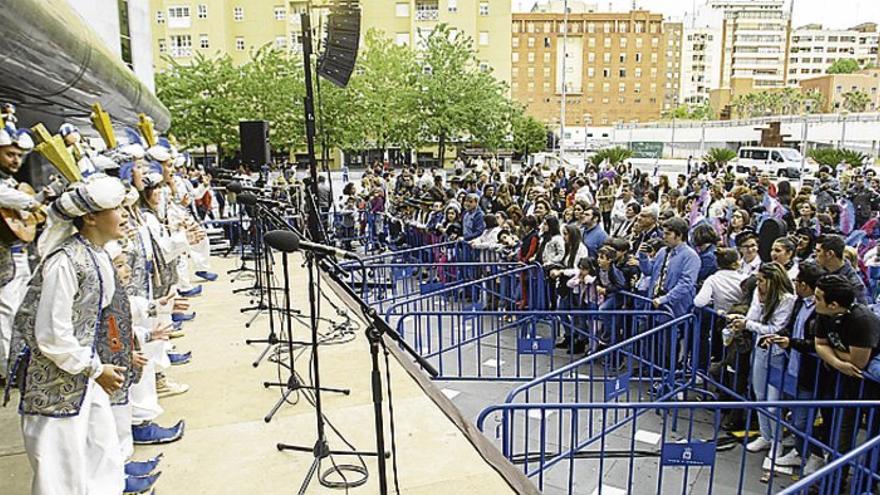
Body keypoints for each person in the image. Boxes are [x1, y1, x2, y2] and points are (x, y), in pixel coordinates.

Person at [9, 175, 129, 495]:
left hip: (84, 376)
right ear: (90, 217)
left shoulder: (96, 254)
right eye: (116, 207)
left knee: (101, 453)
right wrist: (95, 368)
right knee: (60, 474)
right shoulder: (65, 262)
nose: (126, 213)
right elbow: (51, 335)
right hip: (56, 388)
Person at [813, 274, 880, 481]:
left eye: (817, 298)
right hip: (847, 380)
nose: (813, 301)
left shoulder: (863, 320)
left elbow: (858, 362)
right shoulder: (824, 314)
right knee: (841, 434)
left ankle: (866, 482)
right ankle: (834, 481)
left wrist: (833, 352)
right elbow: (819, 344)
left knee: (873, 439)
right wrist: (839, 362)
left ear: (833, 304)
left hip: (872, 388)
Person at [728, 262, 796, 459]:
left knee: (773, 403)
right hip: (760, 351)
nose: (758, 283)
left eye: (761, 280)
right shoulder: (759, 295)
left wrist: (748, 324)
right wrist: (752, 314)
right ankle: (765, 436)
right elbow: (752, 318)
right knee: (759, 395)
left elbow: (775, 328)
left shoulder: (787, 300)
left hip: (777, 356)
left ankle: (777, 442)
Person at [763, 262, 826, 474]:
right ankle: (800, 452)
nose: (795, 285)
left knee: (802, 421)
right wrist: (782, 336)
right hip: (792, 369)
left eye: (797, 282)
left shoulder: (821, 311)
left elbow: (818, 344)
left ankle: (814, 455)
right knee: (793, 416)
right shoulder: (800, 303)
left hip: (810, 373)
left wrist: (791, 343)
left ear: (805, 285)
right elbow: (792, 328)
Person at [0, 124, 39, 379]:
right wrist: (34, 203)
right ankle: (9, 369)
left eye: (18, 156)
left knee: (19, 309)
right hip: (3, 260)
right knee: (6, 312)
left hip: (17, 254)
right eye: (9, 154)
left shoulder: (12, 183)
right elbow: (16, 199)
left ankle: (19, 361)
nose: (15, 160)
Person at [638, 217, 701, 319]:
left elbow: (686, 283)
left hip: (675, 310)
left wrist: (665, 299)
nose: (663, 237)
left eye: (668, 234)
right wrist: (643, 257)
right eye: (664, 233)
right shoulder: (662, 251)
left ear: (679, 235)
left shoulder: (691, 256)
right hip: (654, 304)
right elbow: (649, 271)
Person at [814, 234, 869, 304]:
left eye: (818, 251)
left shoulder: (854, 285)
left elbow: (861, 312)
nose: (815, 254)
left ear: (830, 254)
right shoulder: (818, 270)